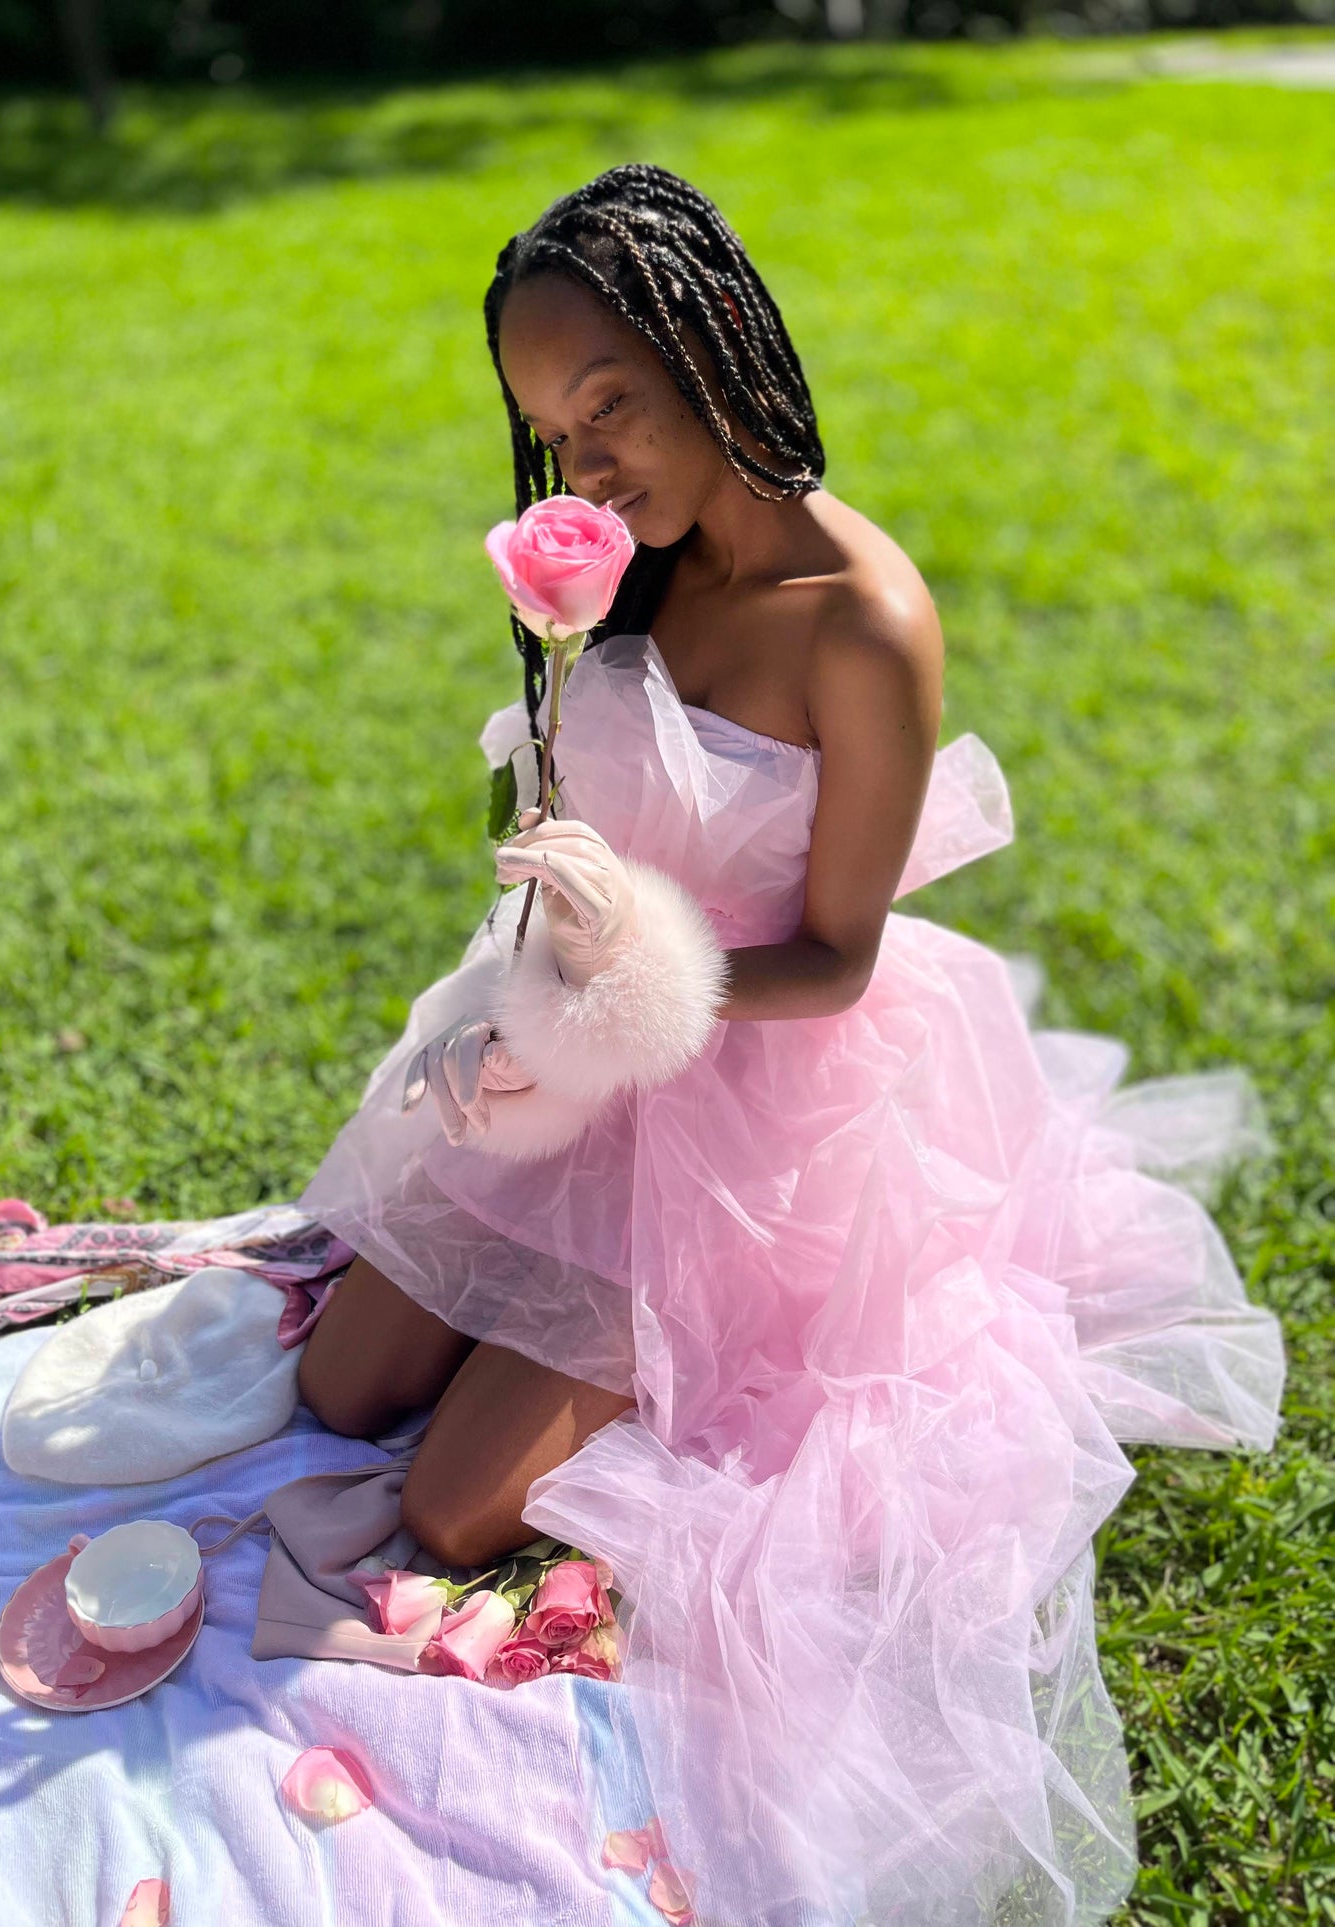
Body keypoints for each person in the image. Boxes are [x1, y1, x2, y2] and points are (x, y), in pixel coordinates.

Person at [295, 163, 1284, 1926]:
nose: (587, 467)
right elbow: (572, 798)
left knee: (451, 1516)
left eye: (614, 406)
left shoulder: (859, 619)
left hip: (754, 1100)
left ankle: (665, 1375)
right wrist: (513, 948)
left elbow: (831, 958)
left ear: (710, 348)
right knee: (336, 1391)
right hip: (585, 1025)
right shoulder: (618, 575)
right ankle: (534, 1328)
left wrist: (618, 989)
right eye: (550, 430)